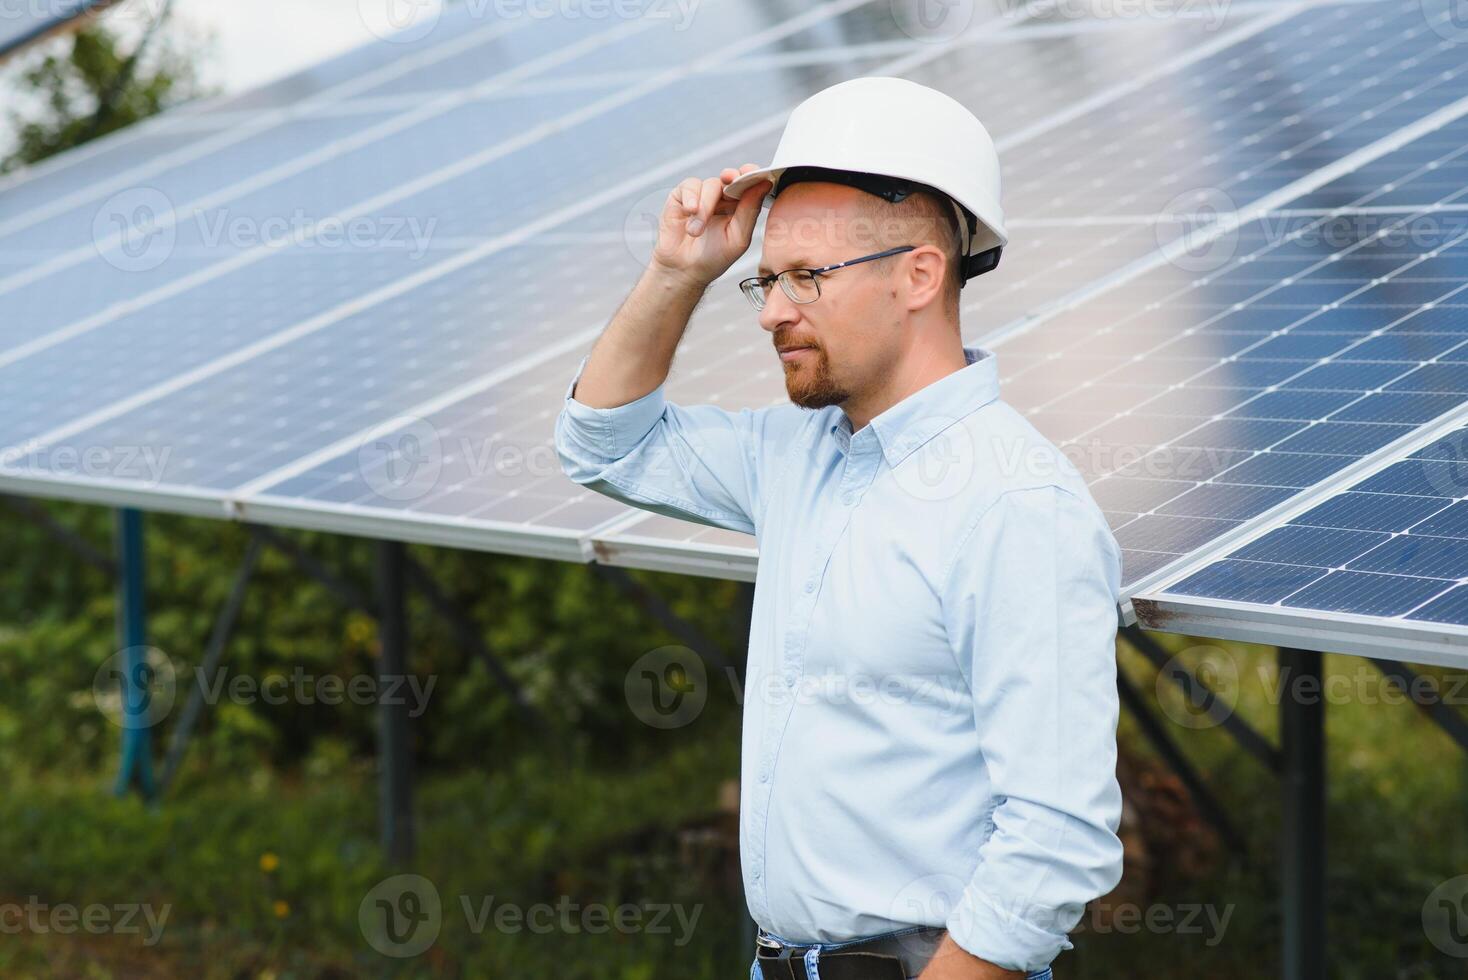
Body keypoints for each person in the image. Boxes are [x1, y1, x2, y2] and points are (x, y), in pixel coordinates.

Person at [554, 76, 1123, 980]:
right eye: (766, 281)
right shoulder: (797, 456)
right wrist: (679, 272)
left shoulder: (1016, 506)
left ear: (919, 275)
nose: (775, 309)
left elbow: (1056, 839)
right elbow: (605, 445)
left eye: (807, 276)